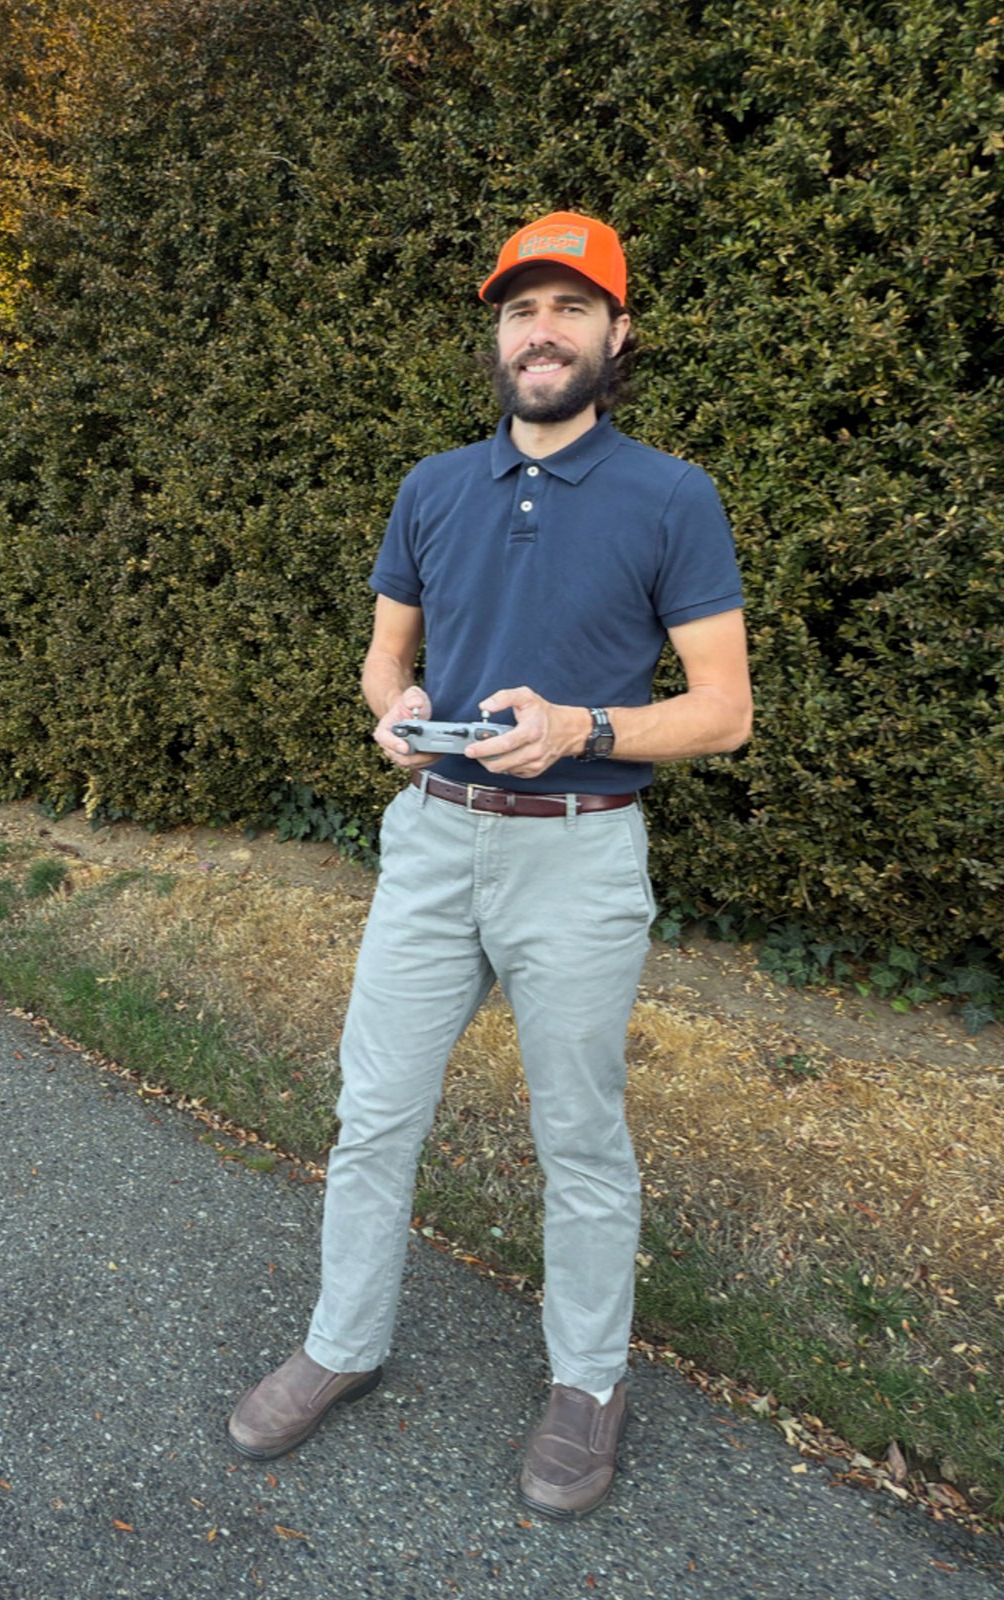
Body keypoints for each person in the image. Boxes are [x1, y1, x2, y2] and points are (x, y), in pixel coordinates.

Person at [226, 211, 752, 1519]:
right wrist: (392, 713)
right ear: (498, 333)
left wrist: (585, 727)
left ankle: (587, 1386)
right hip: (432, 843)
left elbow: (725, 709)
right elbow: (383, 657)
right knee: (375, 1110)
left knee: (578, 1135)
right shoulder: (433, 487)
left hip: (577, 855)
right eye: (523, 308)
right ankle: (342, 1343)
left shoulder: (674, 497)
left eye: (572, 308)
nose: (543, 329)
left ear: (615, 336)